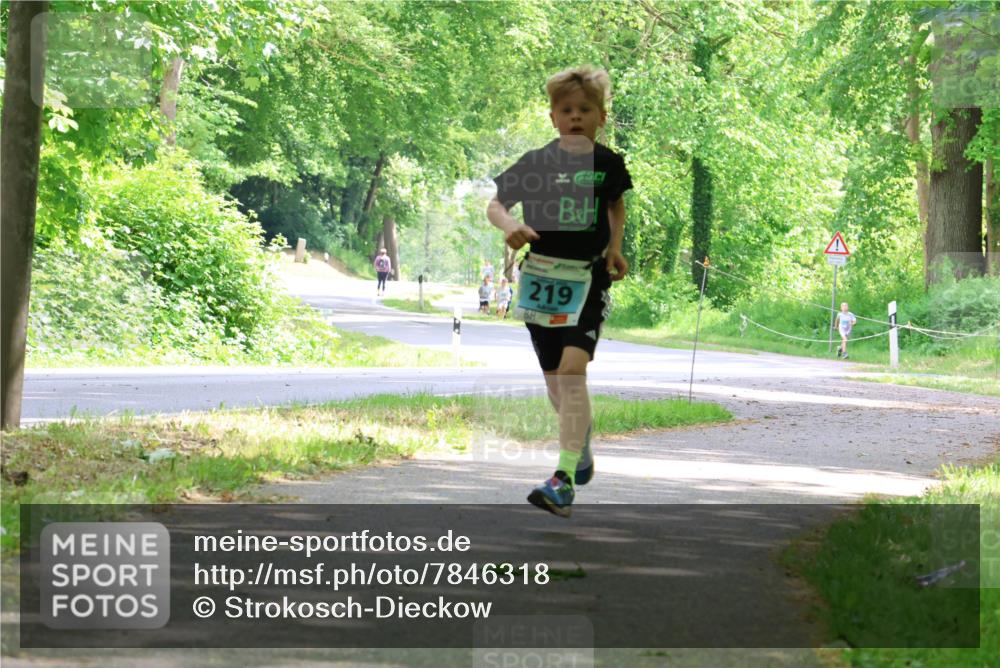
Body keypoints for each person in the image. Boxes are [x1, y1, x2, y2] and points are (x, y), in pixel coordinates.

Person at [486, 65, 633, 517]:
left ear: (600, 117)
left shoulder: (608, 164)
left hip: (587, 279)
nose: (575, 117)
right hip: (541, 281)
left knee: (572, 373)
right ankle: (580, 443)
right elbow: (495, 204)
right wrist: (511, 226)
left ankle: (563, 477)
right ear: (552, 117)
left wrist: (614, 249)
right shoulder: (536, 162)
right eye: (566, 110)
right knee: (557, 389)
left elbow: (616, 206)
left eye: (584, 110)